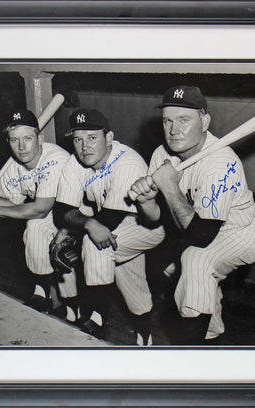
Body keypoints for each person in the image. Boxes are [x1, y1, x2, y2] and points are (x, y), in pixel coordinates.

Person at [130, 85, 255, 344]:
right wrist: (146, 202)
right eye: (168, 120)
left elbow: (203, 236)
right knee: (193, 278)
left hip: (239, 233)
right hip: (194, 227)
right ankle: (211, 341)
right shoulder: (162, 154)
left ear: (204, 122)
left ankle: (190, 358)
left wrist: (169, 186)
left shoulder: (221, 162)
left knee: (196, 260)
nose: (173, 129)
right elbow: (156, 218)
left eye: (184, 120)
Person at [53, 108, 165, 346]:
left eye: (92, 138)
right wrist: (86, 223)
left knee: (97, 247)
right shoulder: (76, 162)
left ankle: (98, 318)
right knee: (132, 281)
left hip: (146, 227)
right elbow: (62, 211)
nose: (84, 147)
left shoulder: (127, 163)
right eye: (78, 139)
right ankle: (145, 338)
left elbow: (107, 222)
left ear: (109, 138)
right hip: (109, 222)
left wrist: (81, 228)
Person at [0, 109, 79, 322]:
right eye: (14, 140)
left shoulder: (55, 159)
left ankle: (66, 304)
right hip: (50, 215)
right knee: (36, 229)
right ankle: (46, 293)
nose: (21, 147)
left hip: (78, 213)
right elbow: (14, 207)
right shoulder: (14, 166)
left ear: (39, 137)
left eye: (27, 138)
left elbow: (40, 208)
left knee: (40, 229)